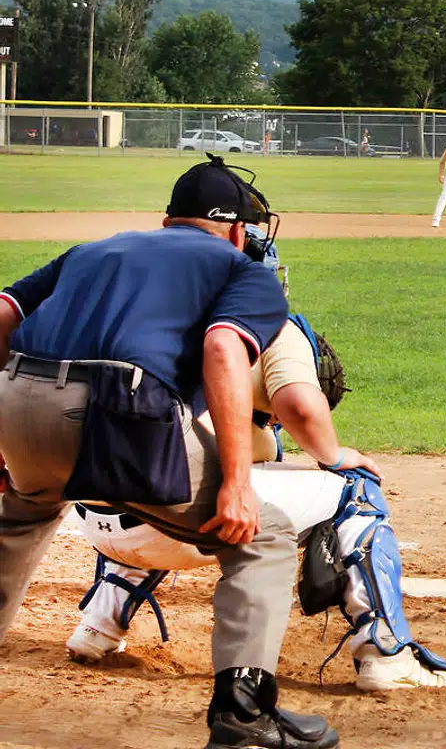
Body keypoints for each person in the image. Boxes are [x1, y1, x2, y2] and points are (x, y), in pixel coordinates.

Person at [0, 154, 342, 749]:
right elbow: (222, 350)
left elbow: (4, 312)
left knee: (21, 516)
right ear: (238, 231)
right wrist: (236, 483)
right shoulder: (243, 270)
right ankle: (242, 716)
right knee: (262, 535)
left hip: (17, 394)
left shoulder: (92, 250)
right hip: (120, 408)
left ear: (167, 222)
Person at [66, 238, 446, 693]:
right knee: (356, 491)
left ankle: (98, 626)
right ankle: (385, 653)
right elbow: (300, 407)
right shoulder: (265, 324)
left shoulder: (136, 317)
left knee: (154, 472)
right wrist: (334, 455)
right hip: (179, 522)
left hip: (96, 515)